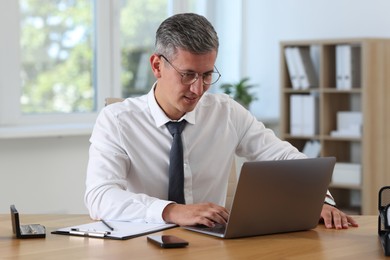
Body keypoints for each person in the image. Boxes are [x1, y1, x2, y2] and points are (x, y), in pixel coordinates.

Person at [85, 13, 358, 230]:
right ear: (157, 65)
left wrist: (318, 201)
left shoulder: (226, 111)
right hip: (142, 243)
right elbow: (100, 196)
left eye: (206, 75)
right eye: (188, 74)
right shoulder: (117, 120)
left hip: (211, 243)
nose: (198, 89)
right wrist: (172, 211)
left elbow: (285, 157)